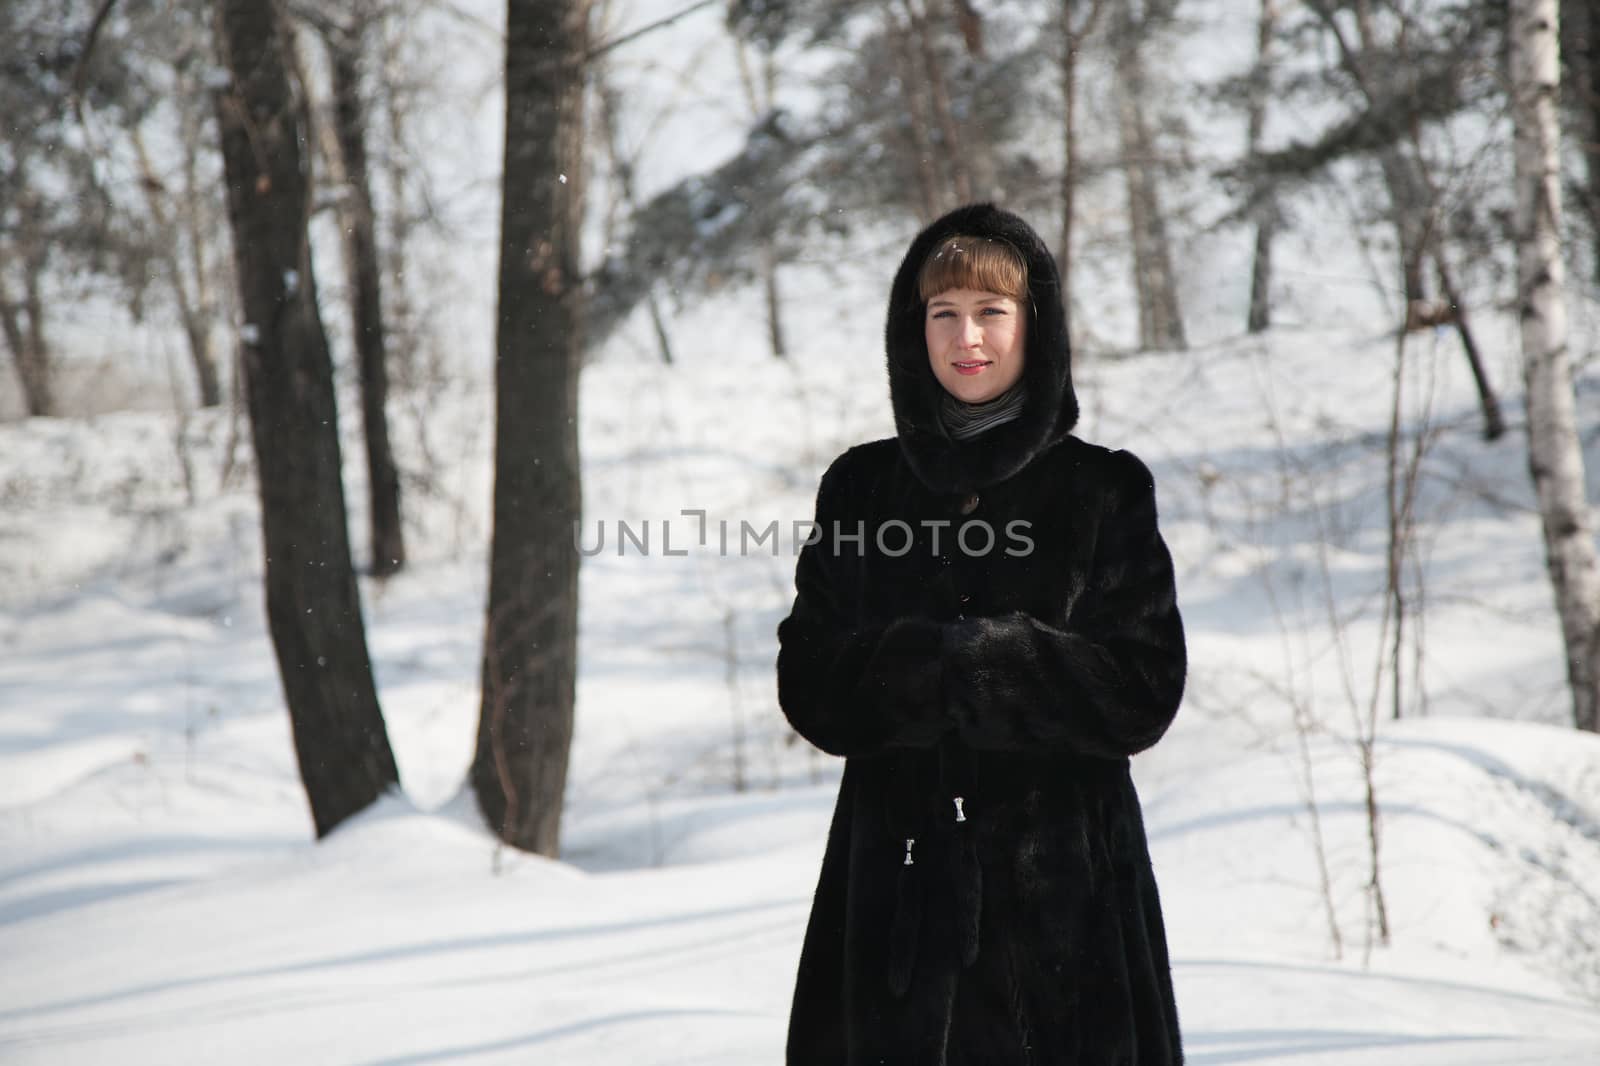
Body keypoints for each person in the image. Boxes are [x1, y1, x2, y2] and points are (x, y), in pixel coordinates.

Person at [776, 202, 1187, 1065]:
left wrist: (992, 666)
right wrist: (922, 666)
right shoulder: (861, 490)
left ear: (1034, 328)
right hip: (893, 899)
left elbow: (1143, 689)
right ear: (912, 330)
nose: (968, 337)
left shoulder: (1102, 490)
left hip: (1068, 910)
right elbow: (810, 680)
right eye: (944, 313)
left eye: (993, 312)